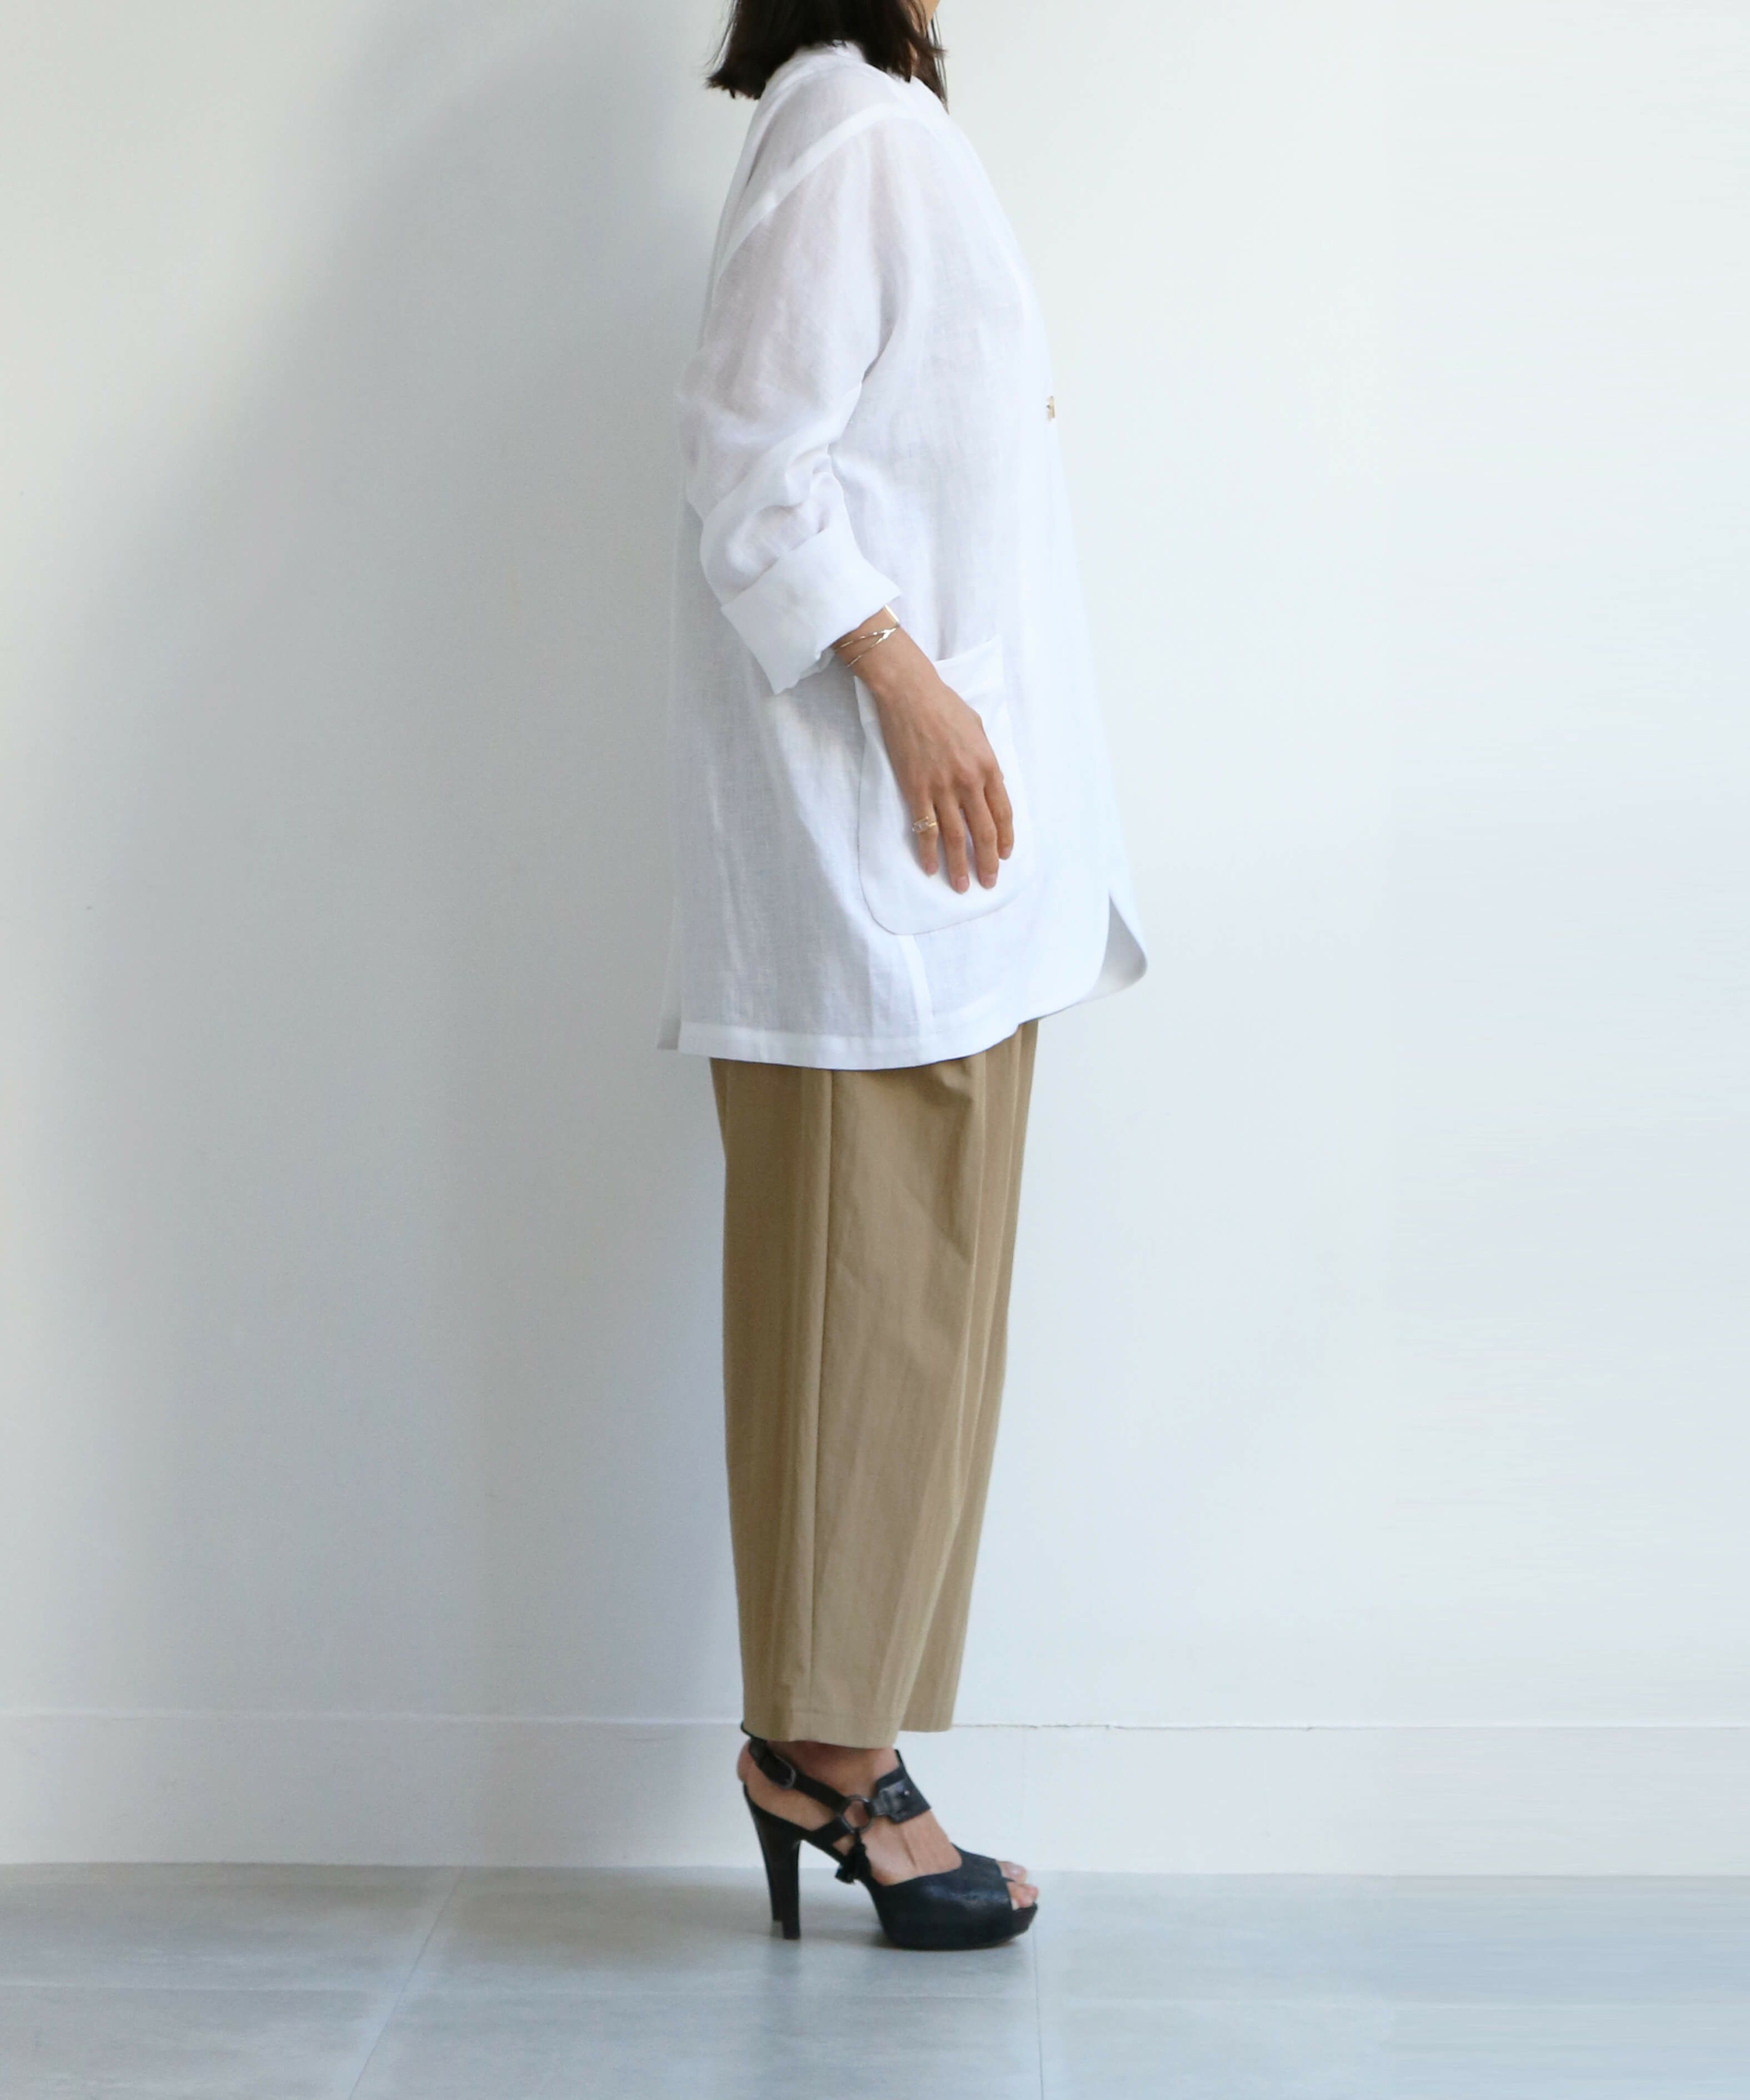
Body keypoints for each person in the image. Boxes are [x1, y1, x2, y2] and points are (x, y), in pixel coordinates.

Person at [659, 0, 1146, 1951]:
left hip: (934, 874)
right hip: (870, 858)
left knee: (907, 1326)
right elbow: (749, 469)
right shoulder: (854, 133)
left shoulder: (870, 126)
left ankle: (834, 1735)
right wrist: (914, 689)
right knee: (867, 1319)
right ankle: (828, 1760)